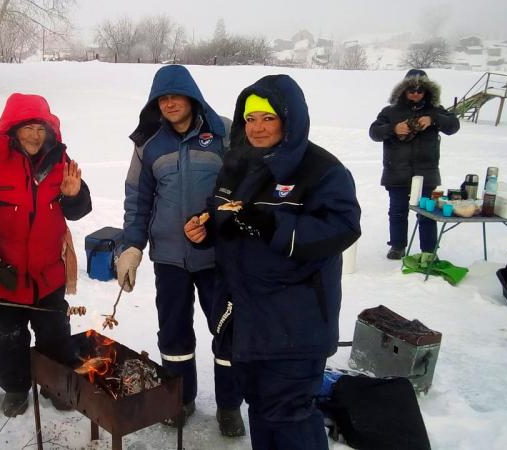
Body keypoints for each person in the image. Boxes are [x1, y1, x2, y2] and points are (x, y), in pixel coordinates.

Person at [184, 74, 361, 450]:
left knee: (291, 415)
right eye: (250, 119)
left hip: (294, 325)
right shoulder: (239, 164)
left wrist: (273, 224)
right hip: (246, 317)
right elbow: (223, 214)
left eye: (267, 117)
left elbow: (343, 228)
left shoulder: (321, 170)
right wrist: (205, 230)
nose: (257, 127)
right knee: (262, 409)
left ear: (289, 119)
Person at [116, 64, 245, 436]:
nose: (170, 103)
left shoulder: (222, 134)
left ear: (192, 96)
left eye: (176, 95)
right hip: (170, 258)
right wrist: (131, 248)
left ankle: (229, 405)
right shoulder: (149, 144)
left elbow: (243, 188)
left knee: (227, 332)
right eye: (162, 98)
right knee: (173, 335)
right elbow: (137, 200)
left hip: (216, 258)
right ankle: (181, 398)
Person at [0, 93, 92, 418]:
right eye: (28, 128)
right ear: (12, 129)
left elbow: (79, 210)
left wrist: (74, 195)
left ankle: (54, 384)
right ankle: (15, 389)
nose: (35, 135)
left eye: (40, 128)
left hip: (48, 275)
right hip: (4, 278)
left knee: (55, 336)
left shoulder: (60, 163)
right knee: (8, 340)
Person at [369, 69, 460, 260]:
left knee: (426, 213)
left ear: (427, 91)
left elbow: (453, 126)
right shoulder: (390, 111)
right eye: (412, 90)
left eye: (420, 90)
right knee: (397, 211)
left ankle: (428, 250)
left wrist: (433, 119)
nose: (416, 94)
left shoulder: (435, 110)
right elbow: (374, 132)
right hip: (397, 171)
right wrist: (393, 128)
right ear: (404, 90)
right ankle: (397, 246)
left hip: (426, 172)